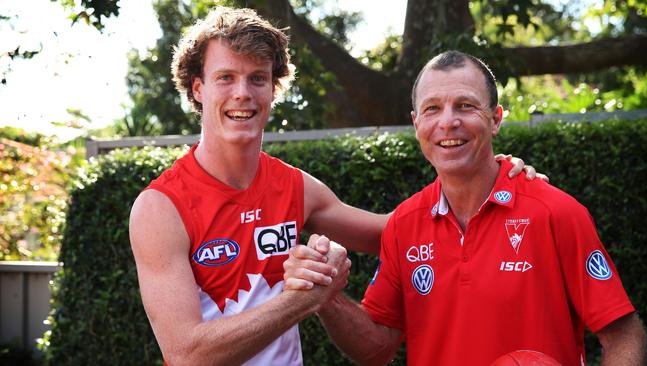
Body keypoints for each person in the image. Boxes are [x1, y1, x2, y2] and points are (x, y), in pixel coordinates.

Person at [128, 7, 537, 365]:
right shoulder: (161, 207)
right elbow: (187, 354)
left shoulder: (294, 187)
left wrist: (484, 176)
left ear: (273, 88)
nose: (242, 93)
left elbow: (401, 232)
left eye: (257, 78)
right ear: (198, 88)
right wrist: (301, 298)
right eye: (225, 78)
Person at [284, 51, 647, 365]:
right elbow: (377, 347)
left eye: (466, 105)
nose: (448, 122)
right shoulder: (404, 225)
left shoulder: (555, 212)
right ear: (416, 125)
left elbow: (624, 334)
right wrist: (326, 295)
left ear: (496, 119)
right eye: (432, 109)